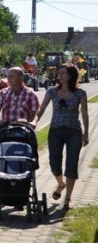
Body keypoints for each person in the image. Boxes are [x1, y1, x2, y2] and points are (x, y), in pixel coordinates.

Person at [35, 63, 89, 211]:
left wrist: (86, 133)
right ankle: (60, 184)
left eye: (62, 73)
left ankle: (67, 199)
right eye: (59, 73)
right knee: (54, 164)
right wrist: (35, 120)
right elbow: (42, 108)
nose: (59, 76)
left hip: (74, 132)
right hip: (55, 132)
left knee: (71, 166)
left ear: (70, 76)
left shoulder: (80, 93)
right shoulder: (52, 91)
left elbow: (84, 114)